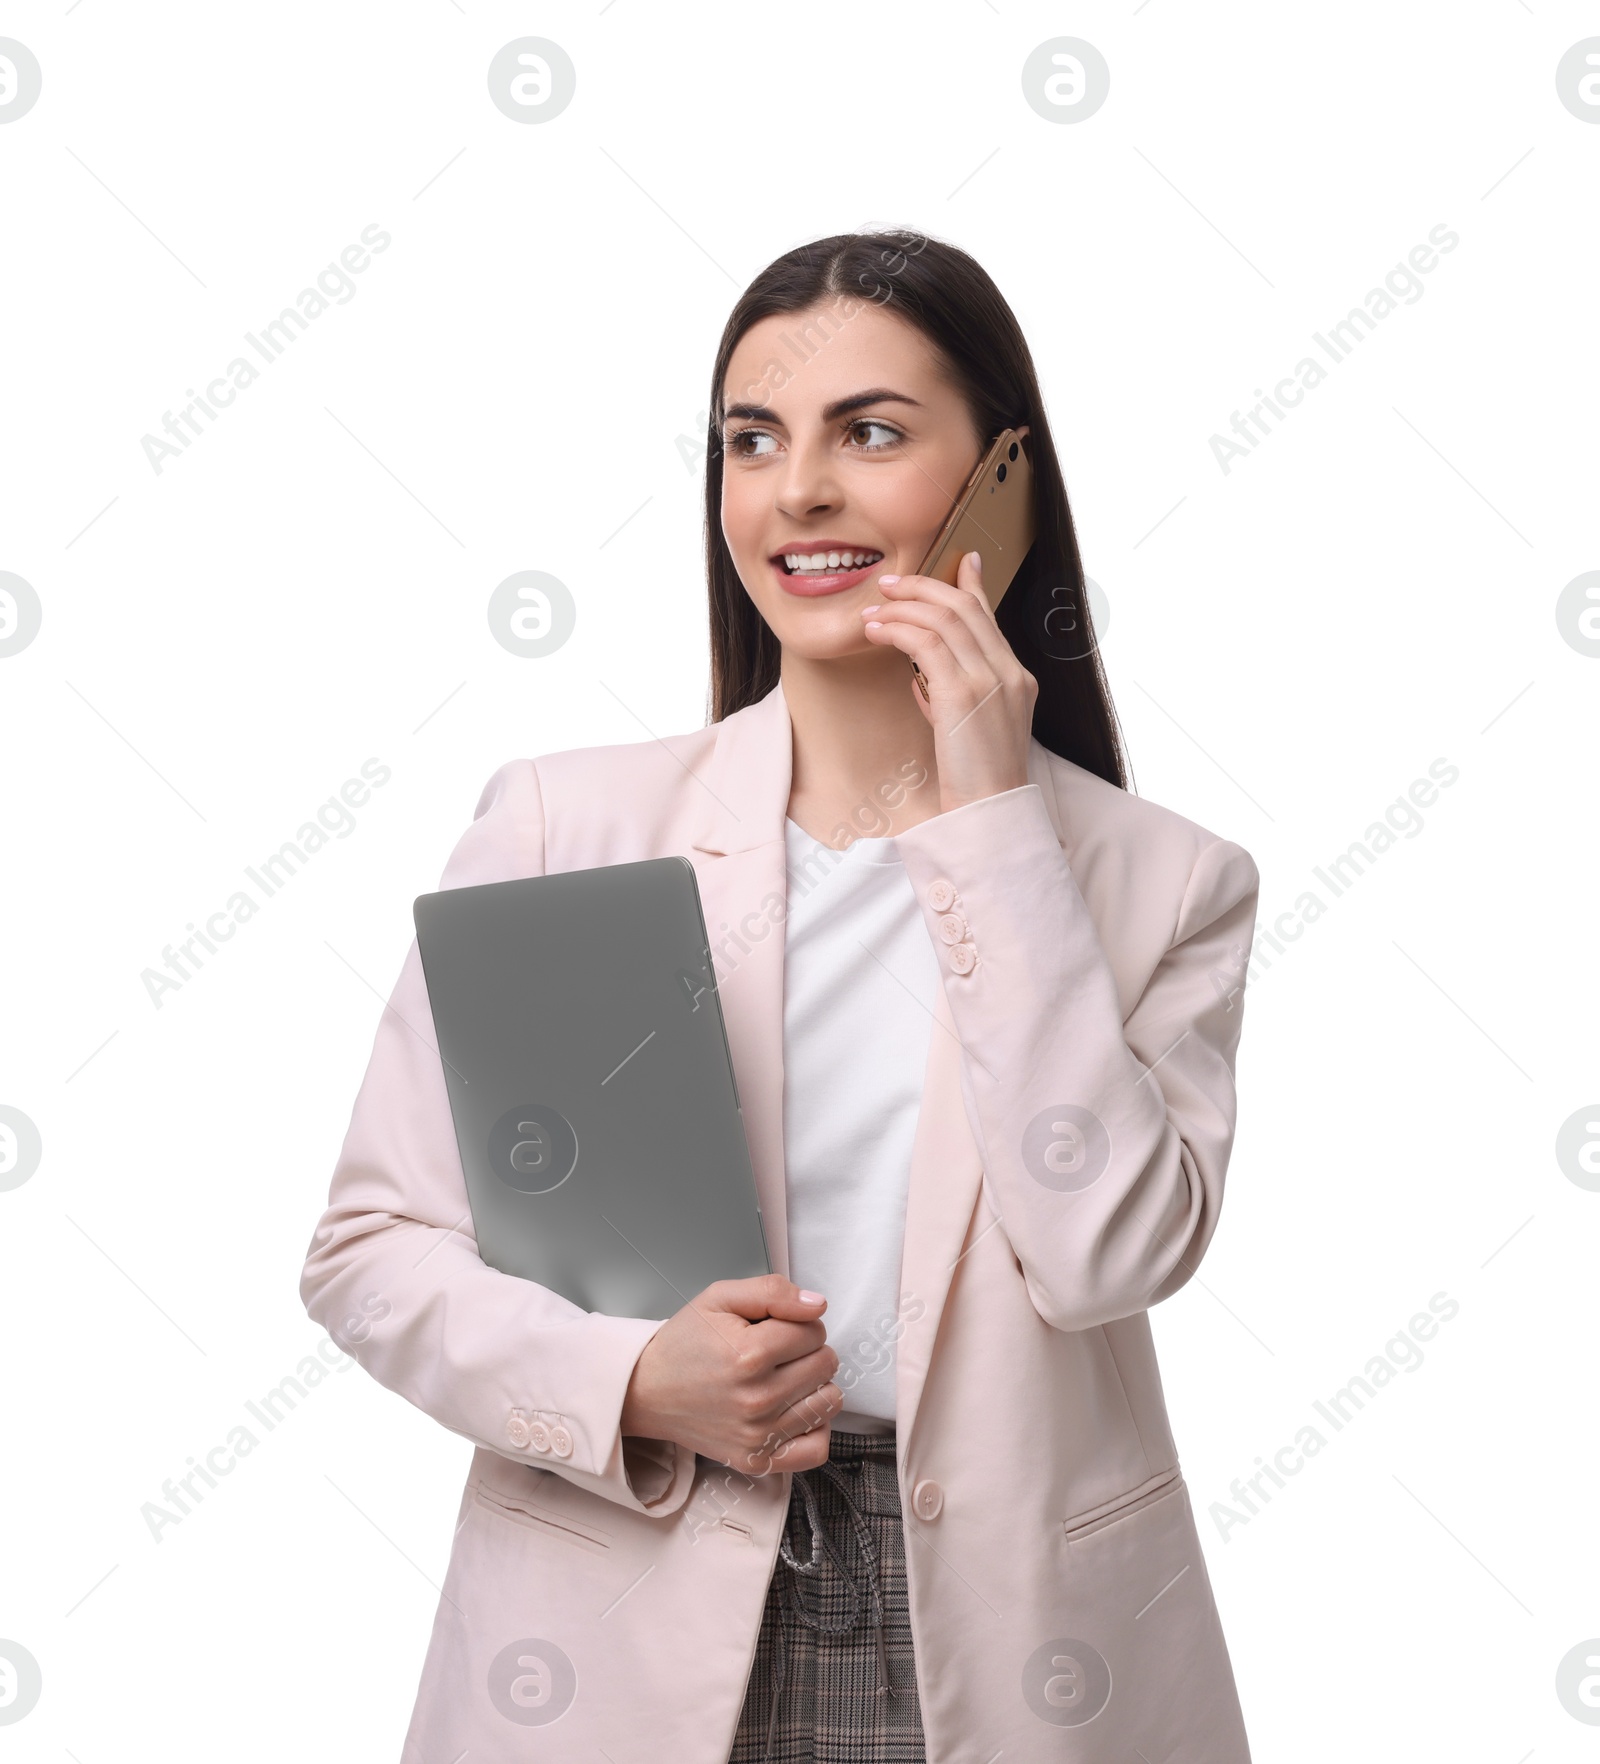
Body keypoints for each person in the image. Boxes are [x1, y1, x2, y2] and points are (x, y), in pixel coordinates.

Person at [300, 230, 1260, 1763]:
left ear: (1000, 477)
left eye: (869, 433)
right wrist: (626, 1380)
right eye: (754, 442)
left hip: (1015, 1637)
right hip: (633, 1598)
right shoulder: (566, 831)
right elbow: (369, 1252)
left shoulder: (1161, 882)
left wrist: (994, 831)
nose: (798, 491)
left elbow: (1107, 1255)